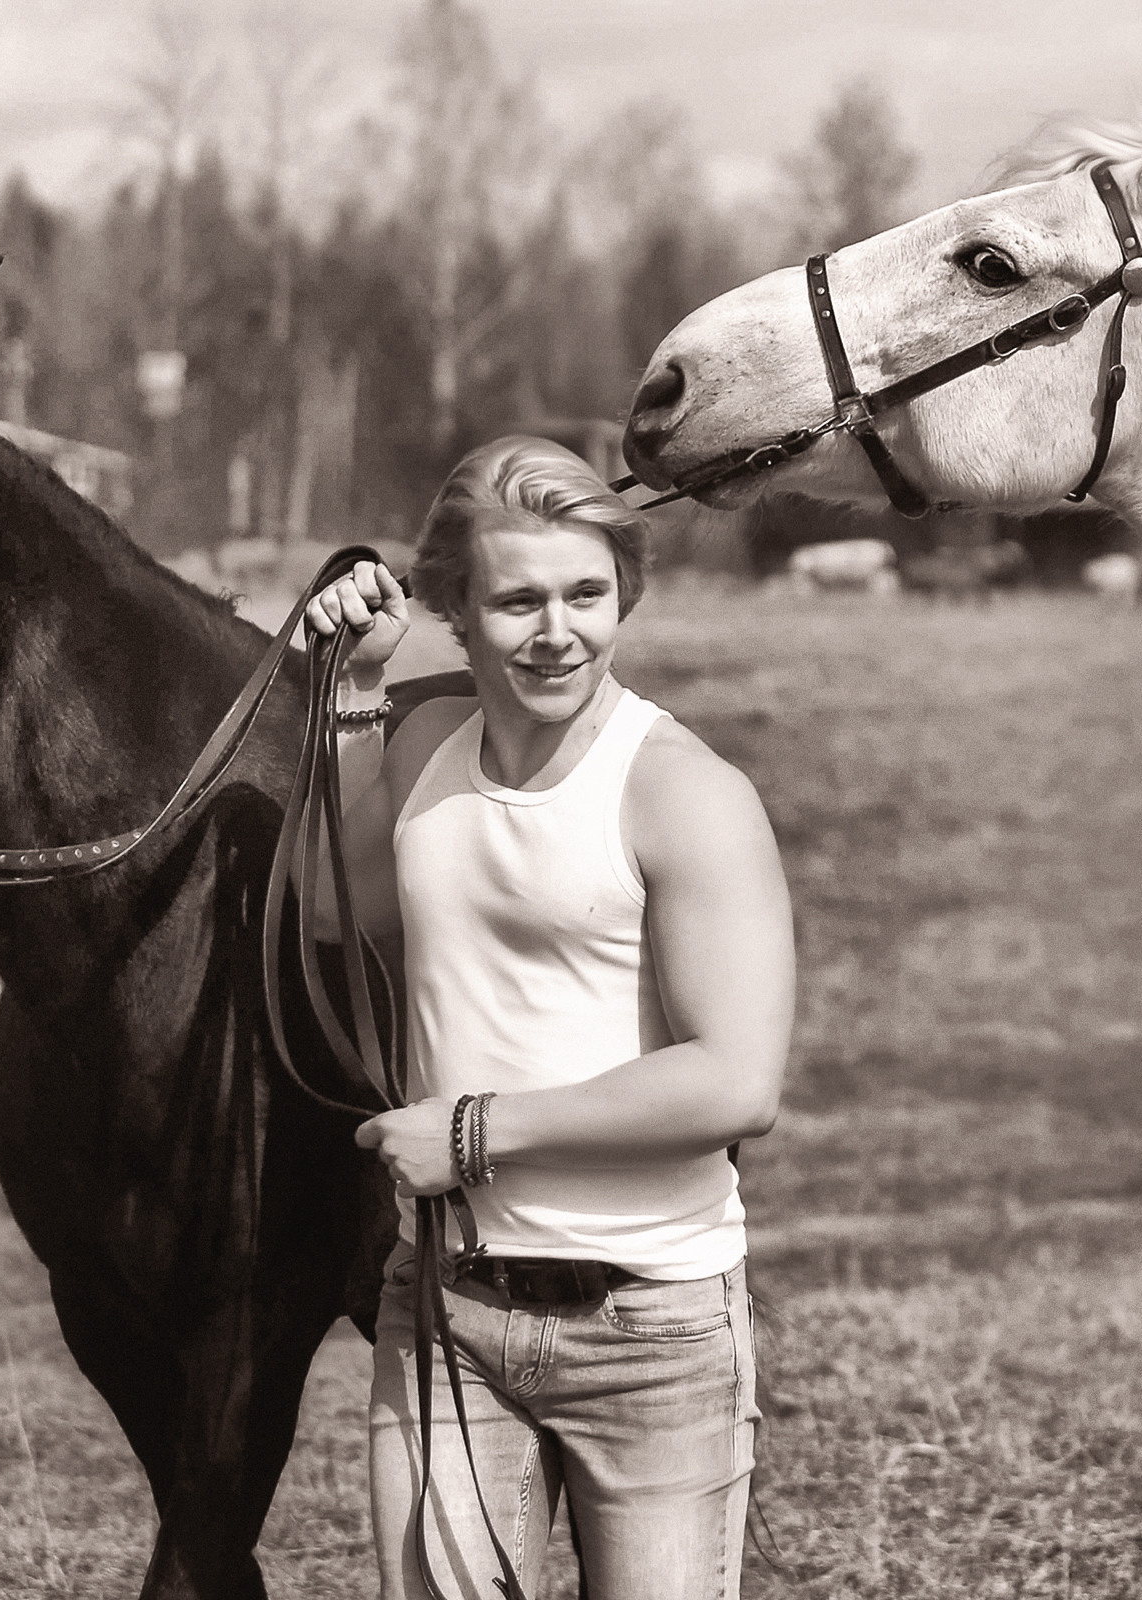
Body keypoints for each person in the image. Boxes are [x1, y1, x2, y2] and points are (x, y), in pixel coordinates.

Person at [303, 435, 793, 1600]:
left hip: (654, 1328)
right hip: (446, 1311)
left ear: (626, 593)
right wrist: (358, 688)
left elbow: (734, 1082)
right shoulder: (423, 741)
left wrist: (468, 1132)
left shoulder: (686, 792)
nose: (556, 630)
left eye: (586, 593)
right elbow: (334, 907)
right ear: (454, 612)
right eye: (517, 600)